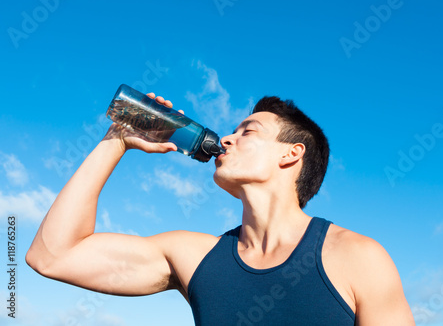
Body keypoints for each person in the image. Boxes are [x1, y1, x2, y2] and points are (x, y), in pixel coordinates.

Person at [26, 93, 415, 325]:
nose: (227, 138)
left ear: (291, 155)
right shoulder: (194, 256)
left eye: (248, 132)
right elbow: (53, 255)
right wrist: (116, 141)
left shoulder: (358, 257)